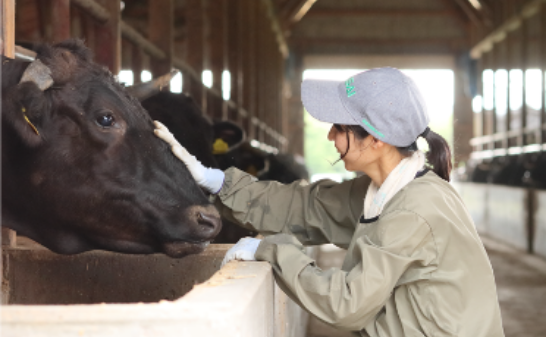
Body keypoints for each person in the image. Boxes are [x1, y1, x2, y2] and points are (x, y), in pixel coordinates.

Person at [154, 67, 504, 337]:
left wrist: (270, 251)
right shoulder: (386, 189)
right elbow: (306, 206)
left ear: (377, 139)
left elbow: (348, 303)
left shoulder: (413, 210)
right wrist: (215, 179)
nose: (330, 136)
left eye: (339, 127)